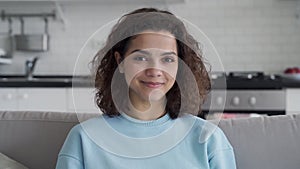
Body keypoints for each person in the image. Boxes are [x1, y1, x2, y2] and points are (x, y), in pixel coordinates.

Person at [56, 8, 236, 169]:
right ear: (120, 62)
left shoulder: (208, 140)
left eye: (167, 59)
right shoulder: (83, 139)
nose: (155, 71)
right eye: (141, 58)